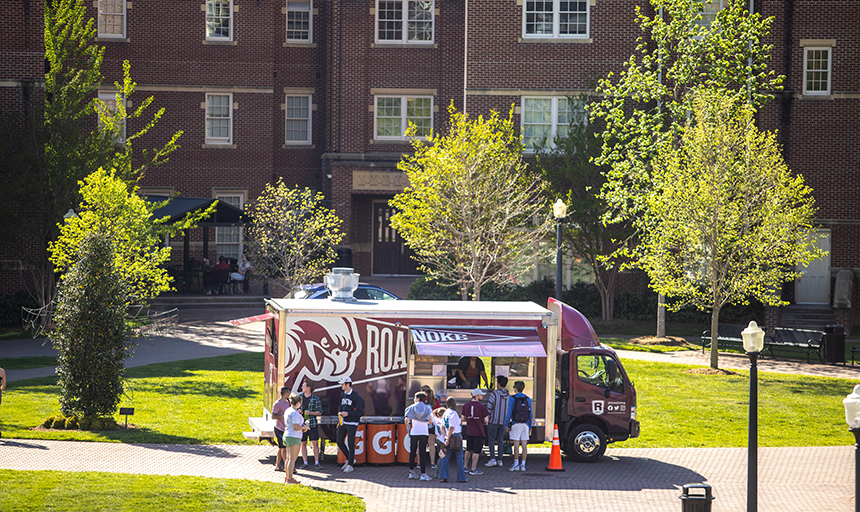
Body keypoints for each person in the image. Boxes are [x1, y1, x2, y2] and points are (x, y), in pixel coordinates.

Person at [336, 376, 365, 473]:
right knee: (339, 441)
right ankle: (350, 459)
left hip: (352, 422)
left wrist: (348, 414)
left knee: (351, 443)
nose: (341, 386)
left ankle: (350, 464)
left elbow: (360, 411)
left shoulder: (356, 396)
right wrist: (339, 420)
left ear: (348, 384)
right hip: (343, 422)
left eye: (343, 384)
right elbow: (341, 407)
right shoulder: (342, 394)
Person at [504, 380, 533, 472]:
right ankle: (523, 465)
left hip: (515, 424)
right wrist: (530, 426)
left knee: (516, 445)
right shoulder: (527, 399)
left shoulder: (512, 398)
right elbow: (530, 413)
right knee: (524, 445)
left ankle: (516, 464)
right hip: (525, 424)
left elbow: (509, 412)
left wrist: (506, 424)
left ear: (516, 388)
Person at [404, 391, 433, 481]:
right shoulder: (428, 408)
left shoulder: (411, 408)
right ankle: (423, 474)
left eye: (415, 398)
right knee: (422, 452)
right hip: (424, 432)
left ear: (418, 399)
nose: (414, 399)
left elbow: (407, 420)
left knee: (412, 452)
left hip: (414, 432)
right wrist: (425, 423)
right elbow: (431, 421)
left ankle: (411, 472)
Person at [438, 396, 467, 483]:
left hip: (446, 437)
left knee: (444, 457)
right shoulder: (454, 414)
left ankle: (443, 476)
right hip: (456, 436)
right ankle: (461, 478)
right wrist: (449, 437)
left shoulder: (445, 413)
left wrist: (446, 437)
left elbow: (442, 427)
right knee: (459, 457)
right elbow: (452, 427)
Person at [485, 374, 510, 468]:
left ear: (498, 384)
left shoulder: (494, 394)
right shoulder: (508, 394)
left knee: (491, 440)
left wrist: (487, 417)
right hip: (503, 421)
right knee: (500, 440)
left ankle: (492, 459)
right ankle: (500, 459)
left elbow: (489, 407)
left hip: (494, 420)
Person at [462, 388, 489, 475]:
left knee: (468, 449)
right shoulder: (482, 407)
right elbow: (486, 420)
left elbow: (462, 418)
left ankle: (465, 467)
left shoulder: (465, 406)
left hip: (469, 430)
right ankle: (473, 468)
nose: (482, 397)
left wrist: (469, 419)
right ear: (476, 396)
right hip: (479, 431)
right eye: (481, 395)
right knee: (476, 451)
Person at [284, 393, 309, 484]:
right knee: (292, 459)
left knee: (288, 458)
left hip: (287, 435)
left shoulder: (288, 410)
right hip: (294, 436)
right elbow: (295, 426)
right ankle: (290, 479)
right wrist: (305, 427)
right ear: (298, 402)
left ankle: (288, 477)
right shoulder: (294, 413)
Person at [300, 380, 322, 469]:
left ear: (308, 387)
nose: (302, 387)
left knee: (315, 443)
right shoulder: (300, 398)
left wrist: (310, 413)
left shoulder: (315, 399)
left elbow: (320, 412)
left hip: (312, 424)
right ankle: (305, 462)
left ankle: (317, 462)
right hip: (302, 424)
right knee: (303, 443)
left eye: (303, 386)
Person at [271, 387, 290, 472]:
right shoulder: (277, 404)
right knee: (283, 448)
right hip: (279, 428)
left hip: (285, 428)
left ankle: (277, 466)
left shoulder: (287, 402)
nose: (289, 394)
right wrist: (282, 416)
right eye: (289, 393)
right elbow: (273, 416)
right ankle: (287, 467)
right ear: (286, 393)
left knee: (281, 448)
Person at [421, 385, 440, 468]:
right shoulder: (435, 401)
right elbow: (439, 413)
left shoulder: (420, 401)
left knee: (421, 445)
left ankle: (419, 463)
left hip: (422, 424)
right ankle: (433, 463)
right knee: (431, 444)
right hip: (431, 425)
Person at [431, 407, 447, 473]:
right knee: (442, 457)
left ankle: (439, 471)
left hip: (438, 439)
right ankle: (438, 472)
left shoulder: (436, 420)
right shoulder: (444, 421)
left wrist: (437, 409)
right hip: (443, 440)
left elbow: (432, 413)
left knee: (440, 456)